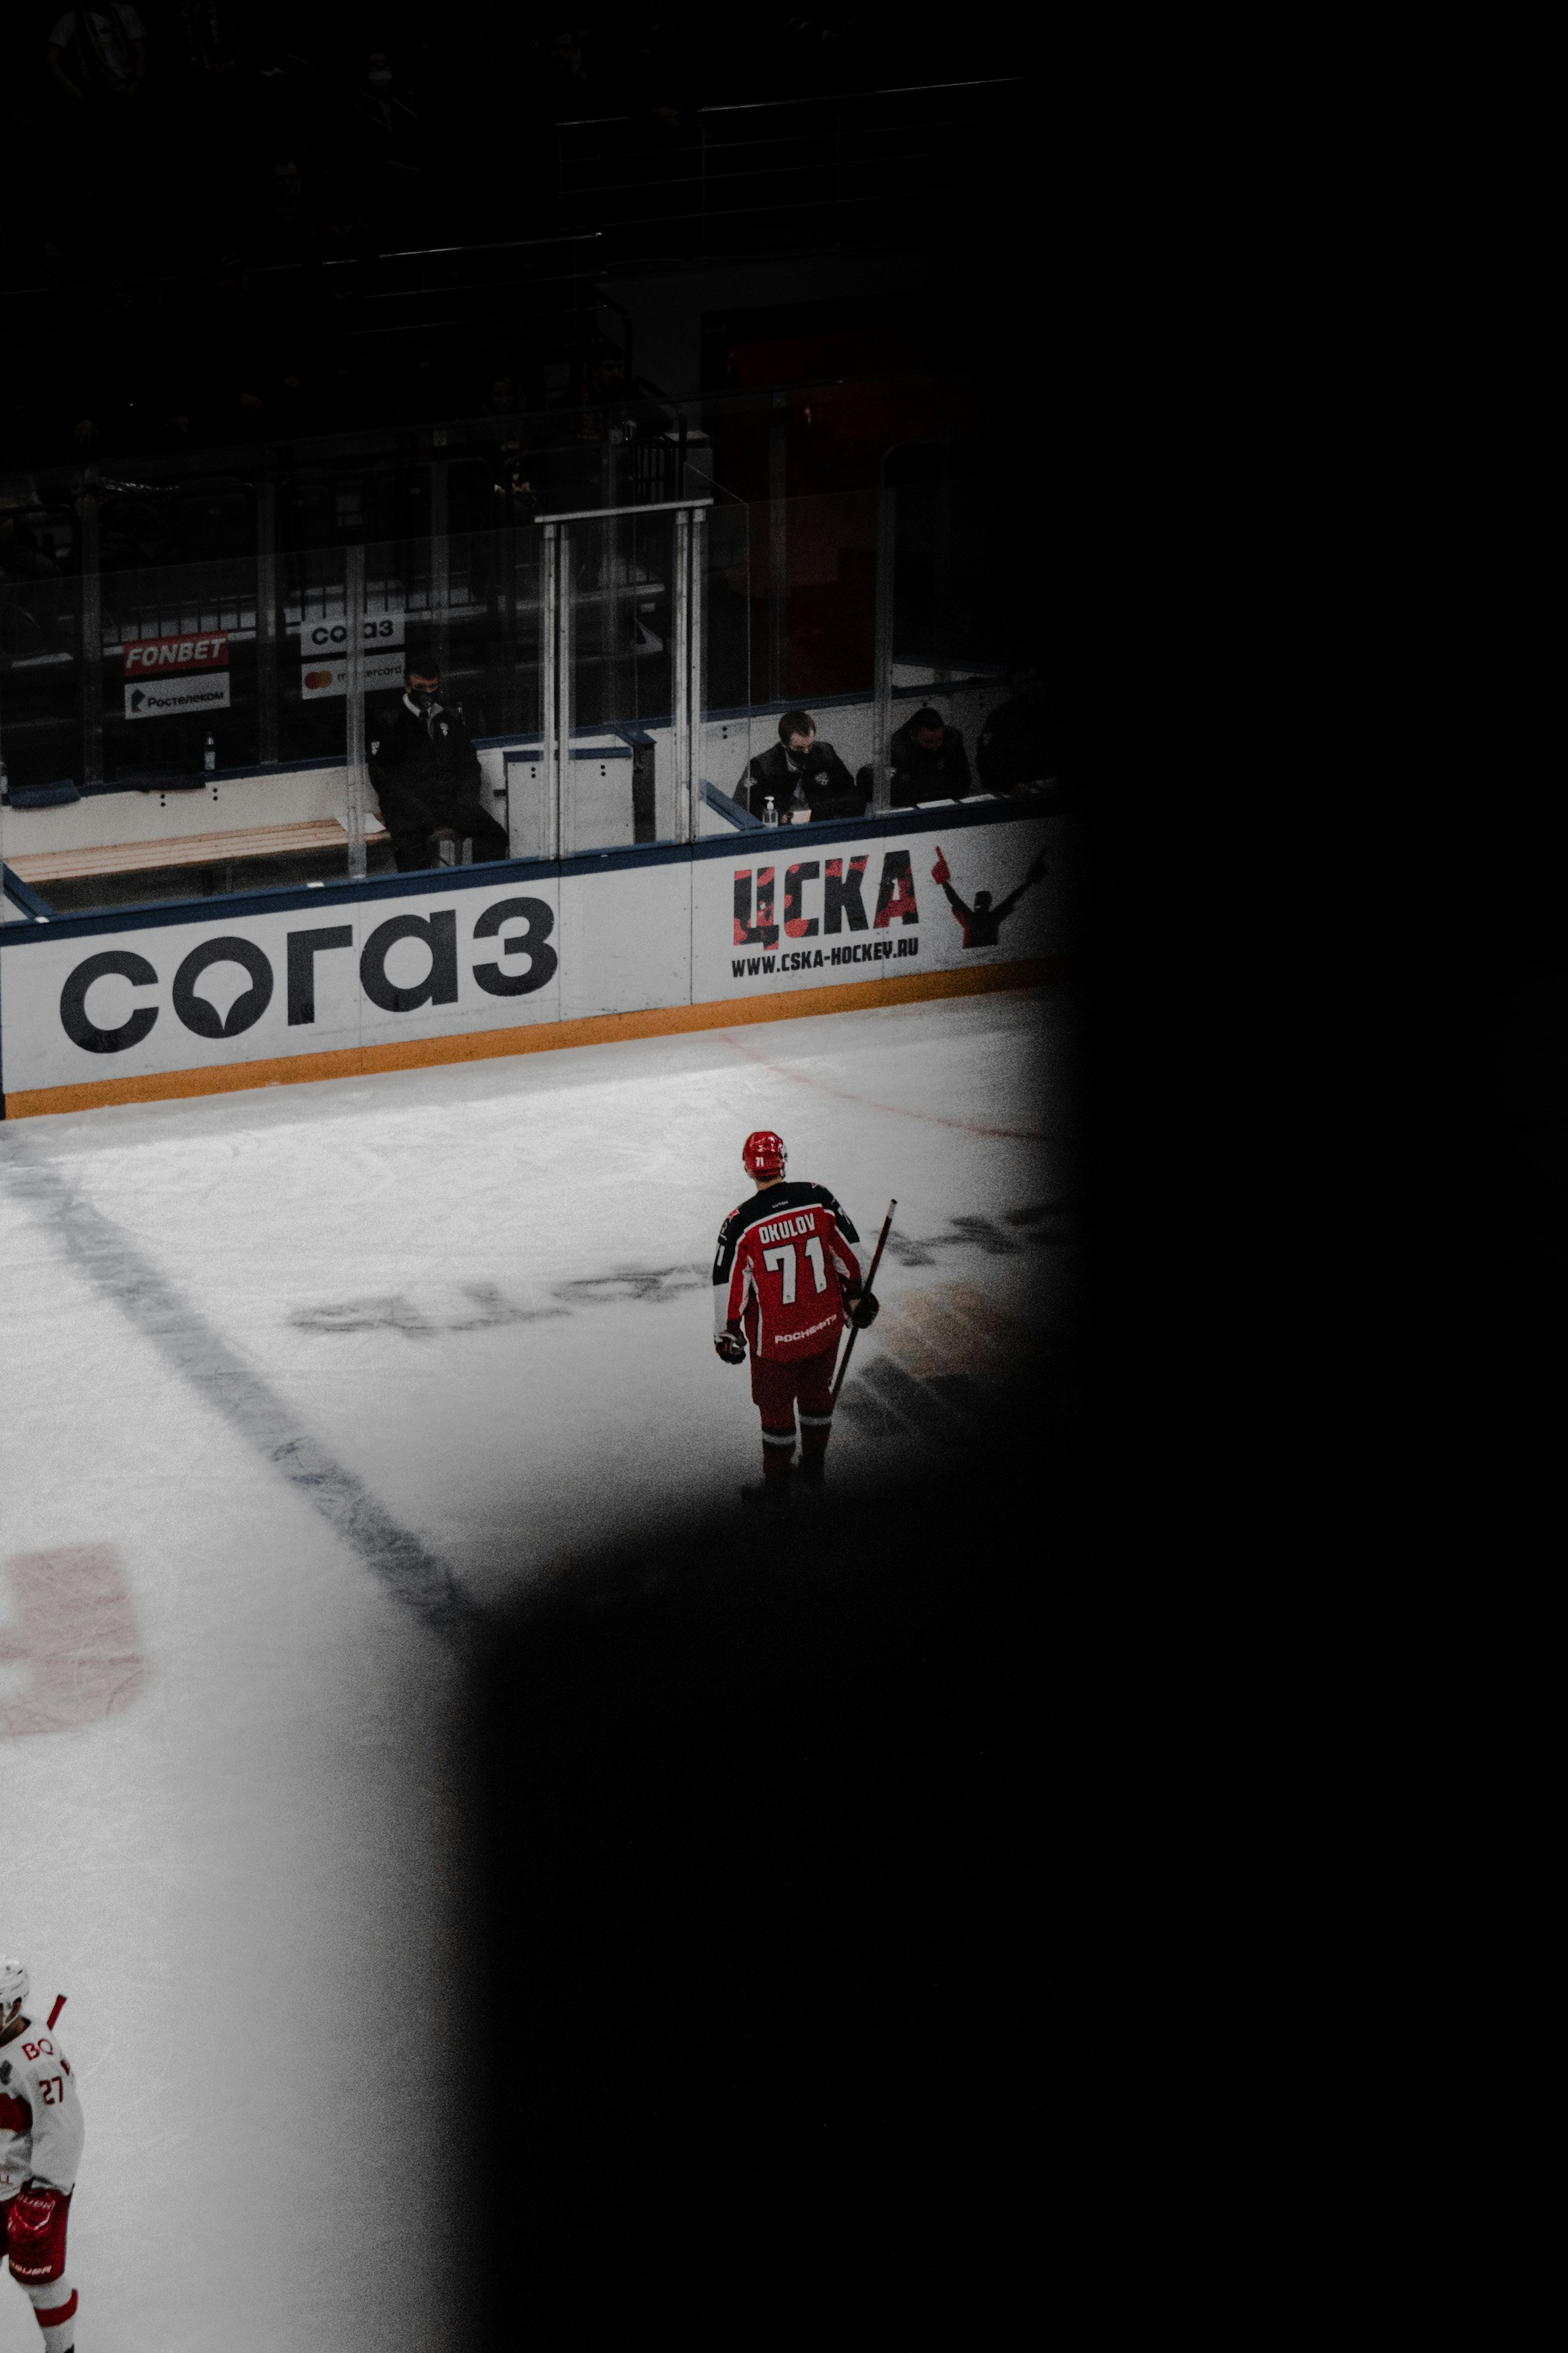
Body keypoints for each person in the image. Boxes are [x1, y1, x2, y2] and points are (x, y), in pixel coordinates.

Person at [712, 1129, 878, 1501]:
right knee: (817, 1395)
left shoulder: (741, 1223)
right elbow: (852, 1259)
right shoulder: (818, 1198)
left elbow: (729, 1289)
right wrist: (857, 1298)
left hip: (775, 1343)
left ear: (748, 1169)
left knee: (775, 1410)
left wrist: (728, 1336)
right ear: (783, 1160)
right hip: (824, 1329)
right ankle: (815, 1472)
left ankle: (778, 1487)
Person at [0, 1958, 83, 2353]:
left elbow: (61, 2129)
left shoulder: (39, 2063)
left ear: (13, 2007)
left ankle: (62, 2350)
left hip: (28, 2192)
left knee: (39, 2277)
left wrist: (45, 2191)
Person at [368, 656, 510, 872]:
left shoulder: (447, 716)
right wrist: (415, 808)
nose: (428, 693)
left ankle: (478, 888)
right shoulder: (389, 720)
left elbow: (468, 761)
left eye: (433, 687)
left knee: (494, 835)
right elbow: (381, 774)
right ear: (408, 686)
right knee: (412, 854)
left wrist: (467, 798)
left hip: (448, 801)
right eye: (421, 687)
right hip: (407, 806)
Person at [736, 711, 863, 824]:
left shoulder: (825, 753)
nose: (806, 751)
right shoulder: (762, 766)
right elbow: (742, 805)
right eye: (799, 748)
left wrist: (833, 810)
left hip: (821, 823)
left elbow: (848, 790)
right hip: (783, 828)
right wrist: (780, 817)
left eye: (810, 745)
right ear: (784, 744)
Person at [931, 842, 1047, 948]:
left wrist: (944, 883)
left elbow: (955, 900)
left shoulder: (972, 919)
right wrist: (1029, 883)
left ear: (976, 903)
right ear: (989, 904)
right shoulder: (992, 918)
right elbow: (1012, 899)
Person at [975, 661, 1064, 794]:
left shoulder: (1053, 712)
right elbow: (989, 759)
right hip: (1019, 792)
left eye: (1036, 681)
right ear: (1015, 688)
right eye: (1026, 684)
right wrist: (1012, 784)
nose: (1033, 688)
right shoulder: (1001, 717)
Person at [889, 706, 971, 807]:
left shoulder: (951, 738)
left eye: (939, 739)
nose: (937, 746)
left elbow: (963, 778)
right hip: (915, 800)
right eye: (929, 742)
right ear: (914, 736)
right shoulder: (900, 747)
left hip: (948, 796)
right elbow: (898, 792)